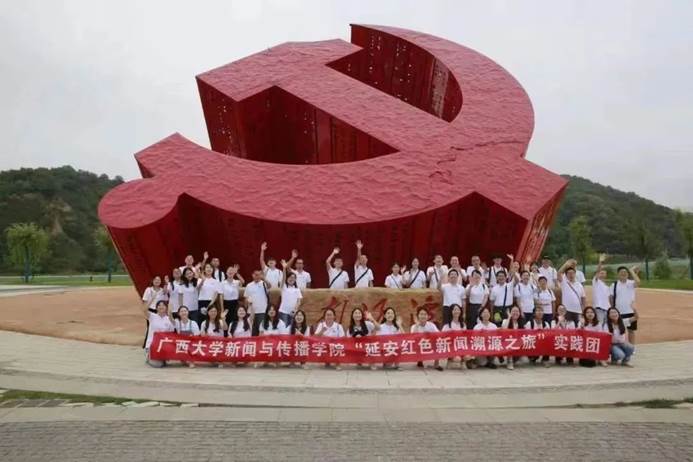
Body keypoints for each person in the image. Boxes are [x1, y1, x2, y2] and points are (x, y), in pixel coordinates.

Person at [609, 265, 641, 345]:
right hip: (618, 312)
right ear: (618, 274)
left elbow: (638, 282)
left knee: (631, 330)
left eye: (625, 272)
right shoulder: (614, 285)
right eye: (621, 272)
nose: (623, 273)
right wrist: (613, 309)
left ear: (628, 274)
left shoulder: (631, 283)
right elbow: (611, 297)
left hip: (630, 311)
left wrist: (632, 271)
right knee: (619, 330)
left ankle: (632, 347)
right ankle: (620, 345)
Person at [142, 300, 174, 368]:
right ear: (156, 308)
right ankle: (149, 358)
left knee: (162, 362)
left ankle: (161, 358)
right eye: (159, 305)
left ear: (166, 308)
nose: (161, 307)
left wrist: (170, 313)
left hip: (162, 346)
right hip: (151, 345)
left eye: (163, 305)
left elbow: (171, 334)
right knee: (159, 365)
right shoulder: (152, 316)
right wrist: (152, 299)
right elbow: (144, 310)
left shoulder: (169, 319)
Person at [411, 306, 445, 371]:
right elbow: (412, 338)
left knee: (439, 343)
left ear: (428, 316)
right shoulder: (414, 326)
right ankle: (420, 360)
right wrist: (417, 325)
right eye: (421, 314)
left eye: (425, 314)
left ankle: (436, 364)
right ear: (418, 316)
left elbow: (438, 335)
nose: (423, 316)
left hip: (429, 345)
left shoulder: (431, 325)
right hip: (419, 346)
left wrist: (430, 335)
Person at [440, 304, 471, 369]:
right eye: (454, 310)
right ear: (451, 312)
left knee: (468, 356)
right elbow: (442, 338)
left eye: (458, 310)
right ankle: (450, 360)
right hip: (451, 347)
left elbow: (466, 338)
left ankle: (463, 362)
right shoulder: (447, 325)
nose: (457, 311)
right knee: (457, 359)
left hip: (461, 346)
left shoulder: (463, 324)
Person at [557, 259, 586, 325]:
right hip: (567, 310)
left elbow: (583, 298)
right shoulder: (564, 283)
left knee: (578, 327)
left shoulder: (579, 285)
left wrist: (583, 309)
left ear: (575, 274)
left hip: (578, 310)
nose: (571, 275)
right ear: (566, 275)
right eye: (569, 273)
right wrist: (566, 264)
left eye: (572, 273)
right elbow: (559, 273)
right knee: (568, 328)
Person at [245, 270, 270, 336]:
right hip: (251, 312)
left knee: (261, 331)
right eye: (255, 275)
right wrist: (248, 301)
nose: (257, 276)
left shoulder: (264, 283)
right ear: (252, 275)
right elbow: (246, 297)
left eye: (258, 275)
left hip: (262, 311)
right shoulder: (249, 285)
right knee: (252, 331)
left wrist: (264, 278)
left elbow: (269, 286)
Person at [278, 259, 303, 326]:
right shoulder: (284, 287)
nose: (291, 279)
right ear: (287, 278)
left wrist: (295, 310)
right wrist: (284, 268)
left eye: (293, 278)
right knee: (283, 328)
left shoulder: (297, 289)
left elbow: (299, 302)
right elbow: (283, 278)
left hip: (292, 313)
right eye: (290, 277)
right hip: (283, 312)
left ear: (295, 280)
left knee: (291, 329)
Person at [501, 306, 525, 370]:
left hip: (518, 343)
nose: (515, 313)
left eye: (517, 311)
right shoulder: (505, 321)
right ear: (510, 312)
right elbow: (504, 330)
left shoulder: (521, 322)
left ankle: (515, 358)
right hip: (507, 342)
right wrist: (509, 317)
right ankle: (509, 362)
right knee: (510, 342)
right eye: (513, 311)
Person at [591, 254, 610, 324]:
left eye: (603, 273)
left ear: (606, 275)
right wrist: (600, 262)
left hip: (607, 308)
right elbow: (598, 270)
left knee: (606, 326)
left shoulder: (607, 287)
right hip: (598, 308)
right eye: (601, 273)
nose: (602, 274)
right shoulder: (596, 282)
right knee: (599, 325)